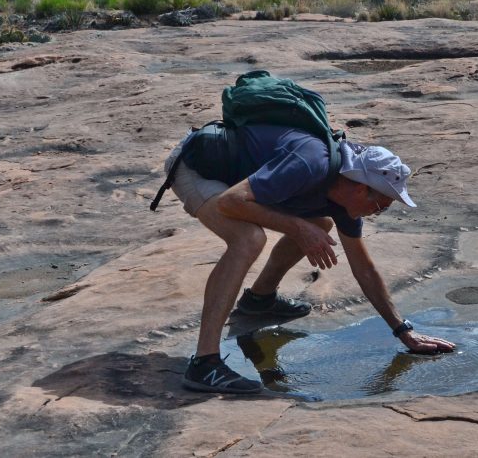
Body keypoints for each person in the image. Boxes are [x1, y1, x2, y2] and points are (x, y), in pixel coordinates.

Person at [164, 122, 455, 394]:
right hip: (196, 168)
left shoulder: (345, 197)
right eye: (381, 204)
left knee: (320, 225)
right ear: (360, 187)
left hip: (237, 180)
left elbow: (363, 268)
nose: (380, 211)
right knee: (249, 239)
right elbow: (231, 202)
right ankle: (204, 364)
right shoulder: (310, 162)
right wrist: (298, 227)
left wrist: (403, 330)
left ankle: (258, 300)